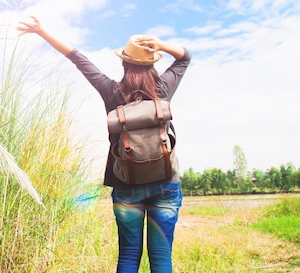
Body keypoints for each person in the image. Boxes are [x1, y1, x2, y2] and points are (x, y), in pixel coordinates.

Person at [17, 16, 191, 273]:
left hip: (126, 184)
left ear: (124, 63)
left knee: (129, 255)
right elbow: (185, 57)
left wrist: (42, 31)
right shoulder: (162, 89)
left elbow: (78, 59)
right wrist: (162, 45)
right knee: (162, 255)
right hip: (165, 182)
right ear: (153, 64)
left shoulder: (112, 92)